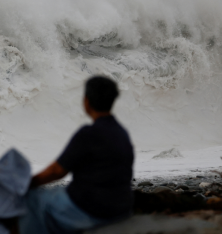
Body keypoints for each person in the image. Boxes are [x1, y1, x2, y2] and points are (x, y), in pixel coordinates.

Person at [12, 76, 135, 234]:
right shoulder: (121, 133)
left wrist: (26, 184)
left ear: (86, 102)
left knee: (31, 199)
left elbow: (57, 171)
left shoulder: (88, 134)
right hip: (122, 208)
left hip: (91, 210)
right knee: (52, 196)